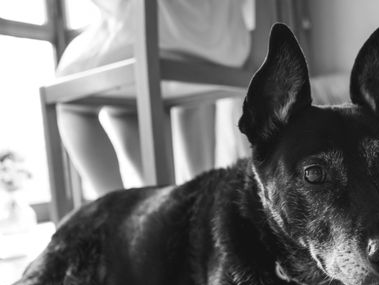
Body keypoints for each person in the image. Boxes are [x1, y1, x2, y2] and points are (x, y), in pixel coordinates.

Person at [56, 0, 252, 197]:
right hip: (227, 45)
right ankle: (175, 201)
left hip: (159, 35)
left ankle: (115, 211)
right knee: (129, 106)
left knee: (68, 99)